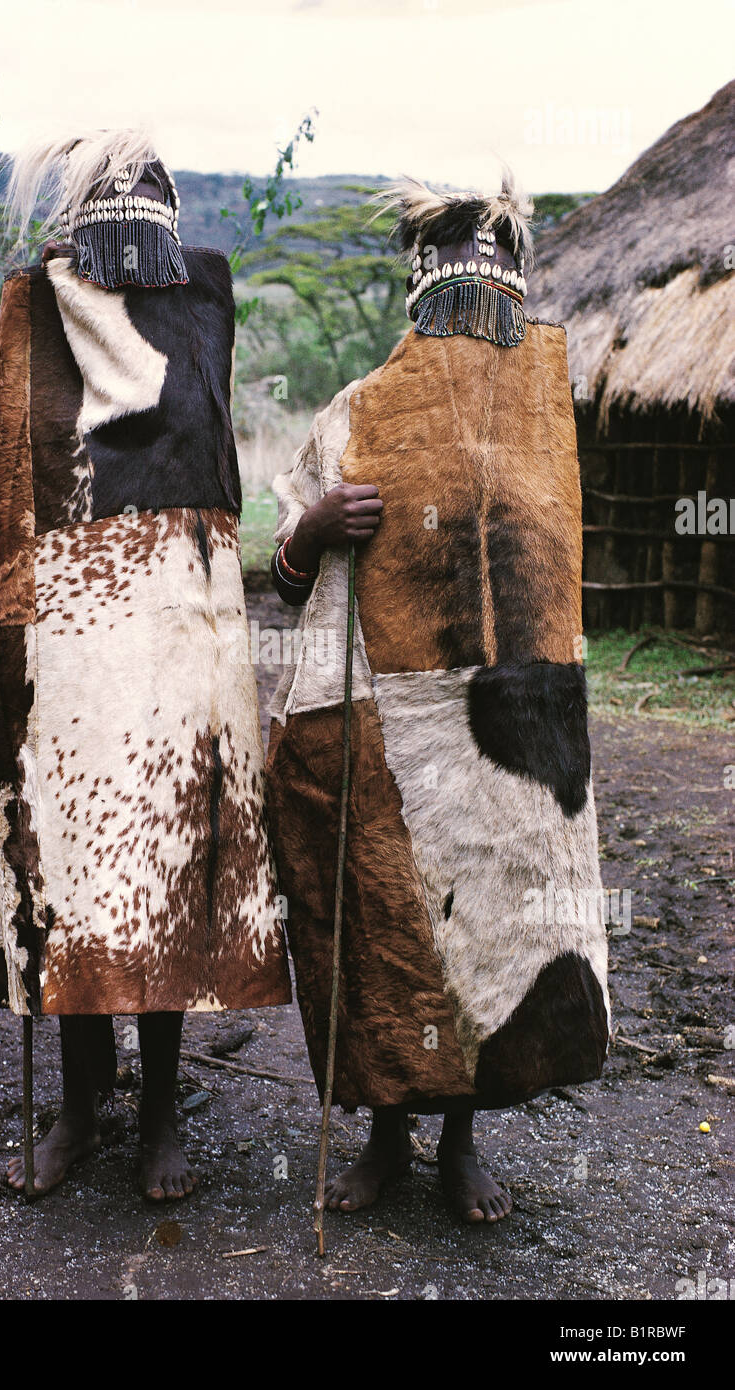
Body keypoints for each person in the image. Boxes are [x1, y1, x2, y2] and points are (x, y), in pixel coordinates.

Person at [0, 129, 290, 1200]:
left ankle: (161, 1110)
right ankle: (81, 1109)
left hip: (176, 648)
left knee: (165, 875)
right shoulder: (29, 322)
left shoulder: (201, 315)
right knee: (68, 880)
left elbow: (216, 483)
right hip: (65, 662)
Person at [266, 174, 609, 1224]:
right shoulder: (355, 415)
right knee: (389, 919)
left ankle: (461, 1139)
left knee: (496, 925)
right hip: (385, 717)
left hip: (511, 730)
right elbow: (284, 580)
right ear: (424, 303)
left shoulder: (544, 433)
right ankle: (384, 1132)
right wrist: (316, 527)